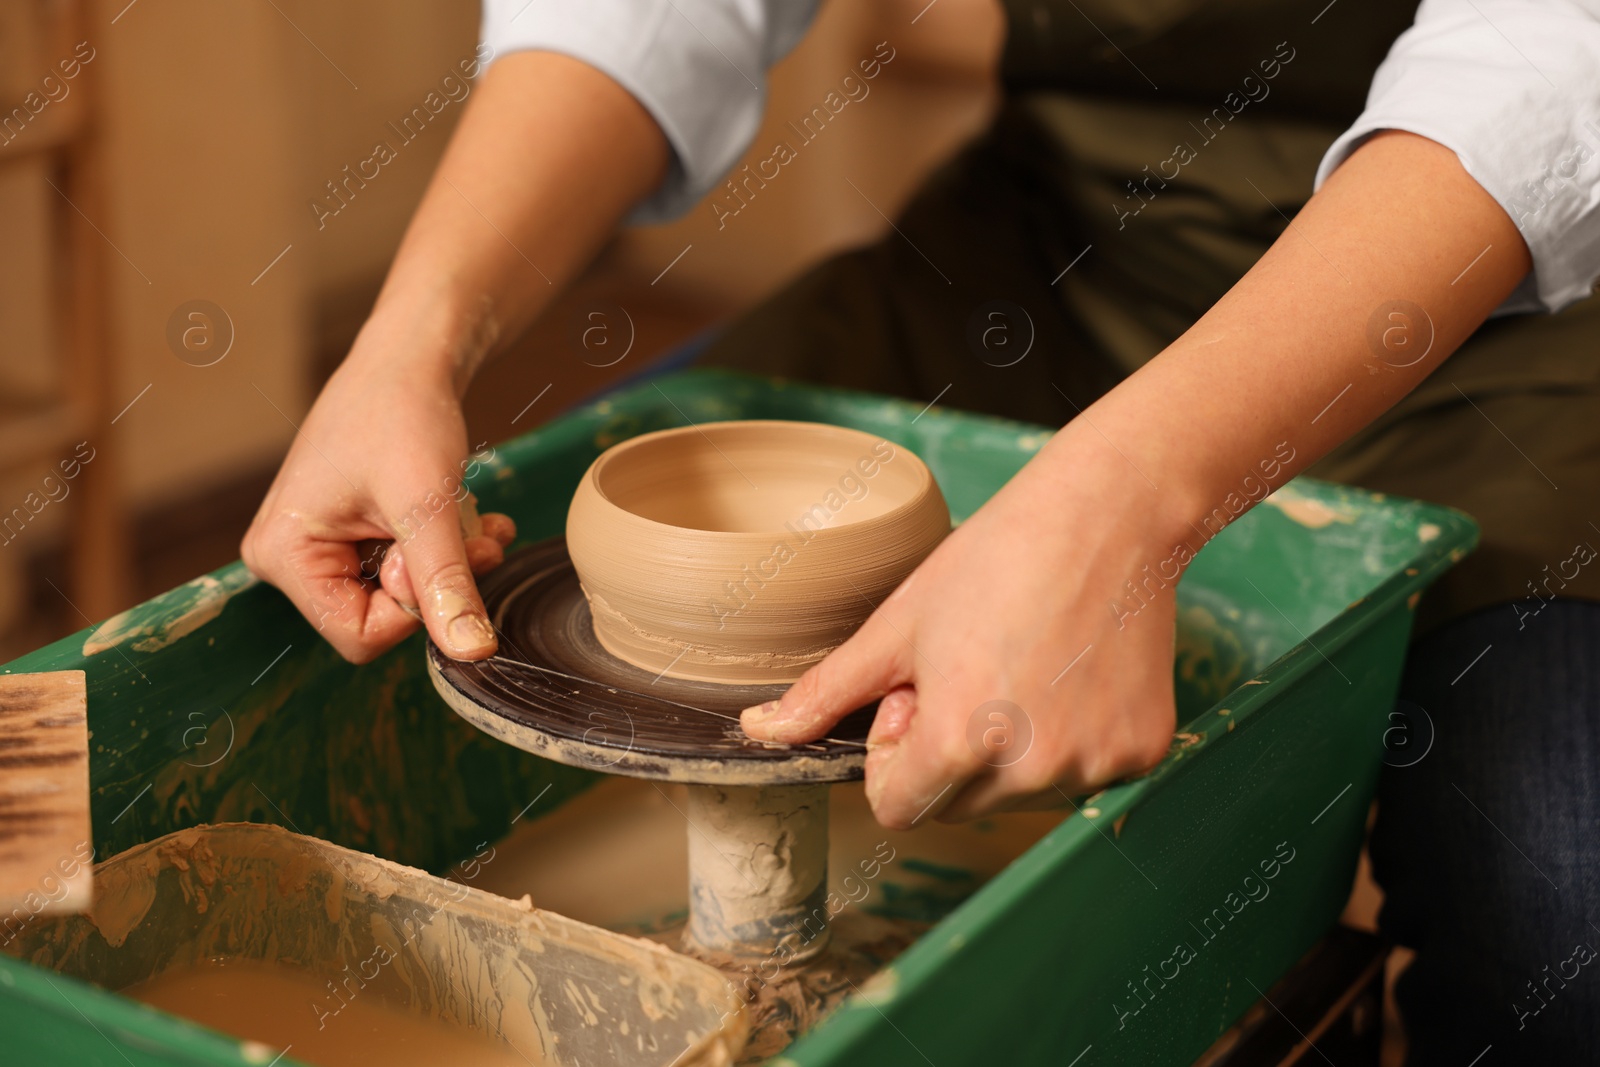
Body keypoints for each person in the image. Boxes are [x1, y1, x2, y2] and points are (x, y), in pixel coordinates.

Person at [241, 0, 1600, 1060]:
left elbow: (1546, 63)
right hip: (1062, 261)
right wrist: (412, 340)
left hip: (1492, 302)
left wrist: (1121, 503)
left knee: (1561, 921)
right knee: (346, 645)